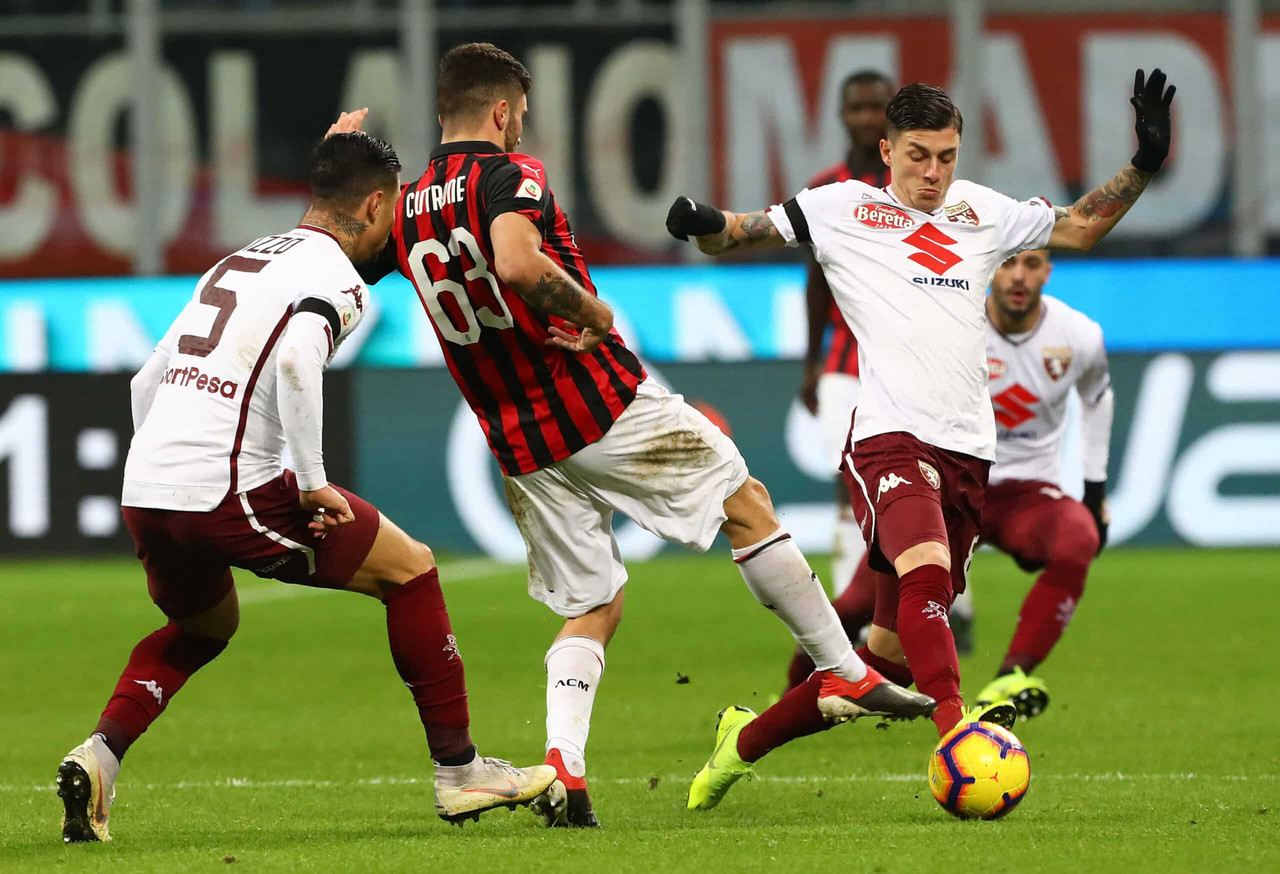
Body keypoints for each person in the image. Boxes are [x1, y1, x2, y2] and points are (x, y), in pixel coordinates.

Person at [356, 42, 935, 829]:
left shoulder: (414, 200)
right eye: (520, 115)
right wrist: (594, 314)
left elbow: (353, 254)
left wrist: (338, 154)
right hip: (593, 403)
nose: (523, 129)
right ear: (500, 112)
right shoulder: (509, 177)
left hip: (517, 441)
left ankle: (565, 769)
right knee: (745, 500)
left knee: (594, 601)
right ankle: (840, 671)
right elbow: (519, 264)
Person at [667, 70, 1173, 809]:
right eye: (918, 156)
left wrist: (1145, 164)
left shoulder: (983, 213)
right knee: (927, 576)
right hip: (888, 438)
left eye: (946, 156)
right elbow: (738, 232)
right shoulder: (842, 209)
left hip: (970, 451)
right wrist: (700, 219)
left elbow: (1081, 224)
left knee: (883, 666)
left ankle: (741, 742)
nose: (934, 174)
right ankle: (956, 734)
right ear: (886, 151)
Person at [55, 121, 555, 844]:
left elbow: (148, 378)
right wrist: (314, 482)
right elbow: (296, 362)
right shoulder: (337, 279)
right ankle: (461, 771)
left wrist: (163, 465)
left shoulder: (242, 259)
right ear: (380, 206)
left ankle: (98, 756)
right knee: (410, 571)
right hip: (229, 486)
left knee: (205, 625)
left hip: (149, 483)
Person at [790, 249, 1113, 717]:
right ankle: (794, 688)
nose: (1019, 276)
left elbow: (1098, 396)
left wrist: (1095, 492)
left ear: (1049, 270)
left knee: (1078, 535)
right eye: (1008, 263)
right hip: (949, 489)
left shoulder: (1079, 336)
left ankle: (1010, 678)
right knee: (857, 605)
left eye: (1033, 263)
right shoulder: (953, 325)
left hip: (1026, 494)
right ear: (989, 266)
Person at [798, 69, 891, 602]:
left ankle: (952, 603)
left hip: (910, 357)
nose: (864, 118)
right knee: (850, 484)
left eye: (875, 107)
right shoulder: (823, 189)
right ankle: (851, 615)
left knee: (928, 478)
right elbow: (815, 283)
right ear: (841, 114)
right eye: (855, 108)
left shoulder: (916, 184)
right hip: (841, 360)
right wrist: (810, 363)